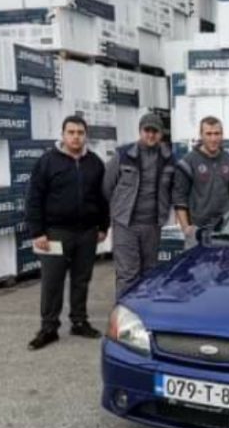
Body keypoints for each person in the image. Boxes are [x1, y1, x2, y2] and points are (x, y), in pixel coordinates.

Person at [25, 115, 110, 350]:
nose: (76, 137)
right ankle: (49, 327)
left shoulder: (95, 163)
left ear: (85, 136)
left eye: (80, 133)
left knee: (81, 280)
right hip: (55, 233)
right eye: (71, 132)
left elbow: (103, 199)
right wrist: (37, 232)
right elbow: (34, 198)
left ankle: (79, 321)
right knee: (52, 281)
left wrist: (103, 226)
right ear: (63, 135)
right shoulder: (47, 162)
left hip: (87, 233)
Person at [103, 113, 175, 297]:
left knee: (149, 273)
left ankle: (144, 318)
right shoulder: (122, 155)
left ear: (161, 134)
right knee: (128, 274)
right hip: (126, 224)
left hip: (152, 225)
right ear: (140, 131)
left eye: (155, 131)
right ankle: (125, 318)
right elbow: (107, 187)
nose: (151, 135)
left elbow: (174, 190)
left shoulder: (169, 159)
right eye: (147, 130)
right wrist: (119, 211)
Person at [173, 116, 229, 245]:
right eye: (208, 134)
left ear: (222, 135)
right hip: (197, 230)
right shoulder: (188, 162)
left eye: (217, 134)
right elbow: (179, 197)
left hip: (225, 229)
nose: (213, 138)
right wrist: (186, 228)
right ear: (201, 135)